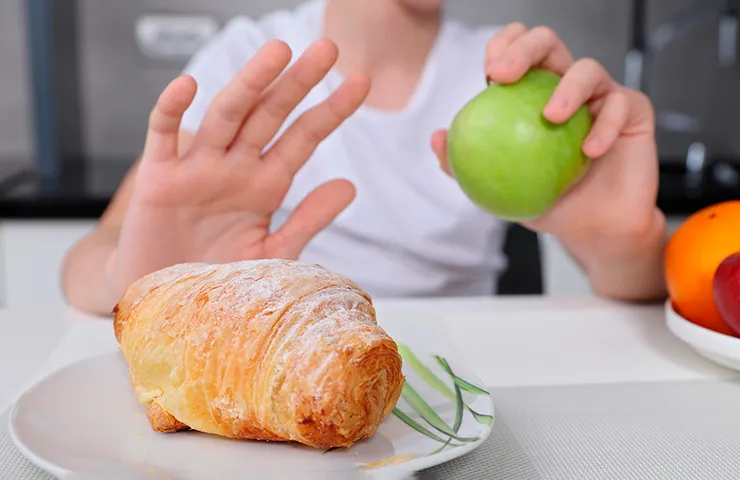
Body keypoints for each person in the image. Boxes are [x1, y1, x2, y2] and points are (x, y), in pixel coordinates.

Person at [61, 0, 668, 315]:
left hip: (459, 391)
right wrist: (132, 280)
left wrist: (626, 241)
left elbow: (636, 295)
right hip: (280, 371)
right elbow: (86, 262)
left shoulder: (515, 74)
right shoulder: (247, 57)